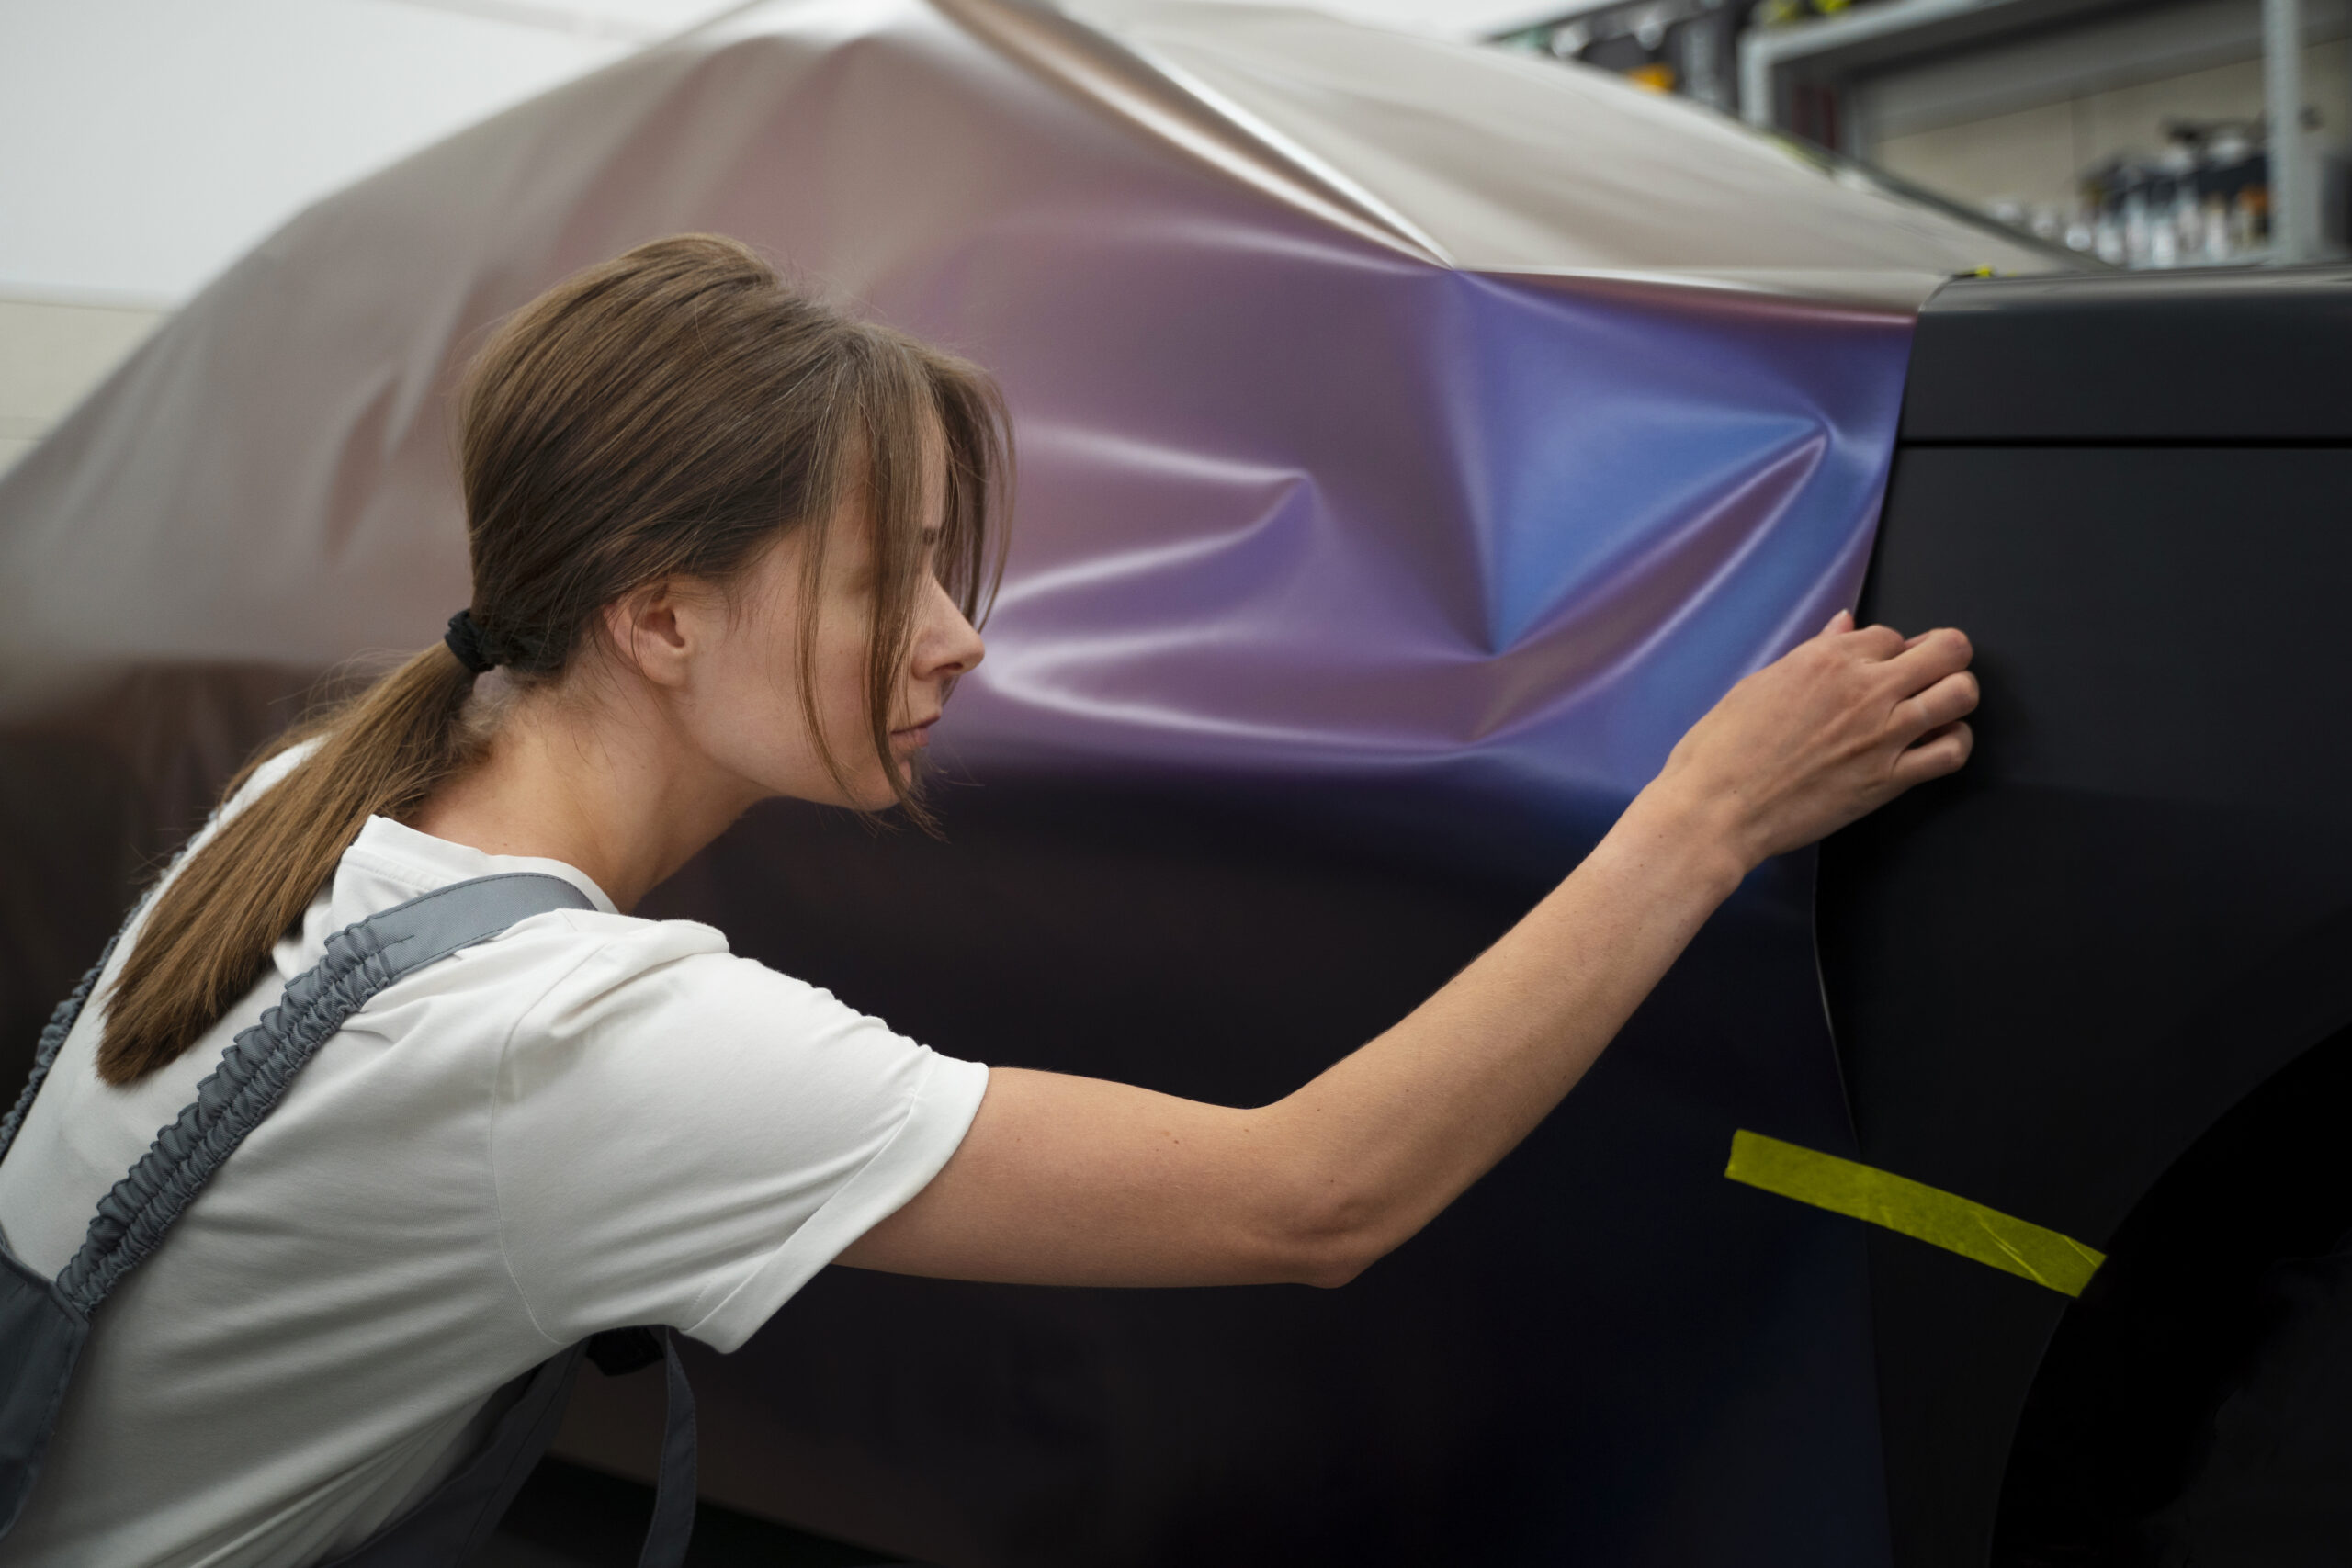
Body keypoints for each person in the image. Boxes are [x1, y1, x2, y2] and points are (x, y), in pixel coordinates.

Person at [0, 234, 1976, 1566]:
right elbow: (1312, 1197)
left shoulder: (320, 807)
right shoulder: (570, 1041)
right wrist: (1704, 810)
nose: (955, 642)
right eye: (883, 581)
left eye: (950, 567)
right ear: (658, 614)